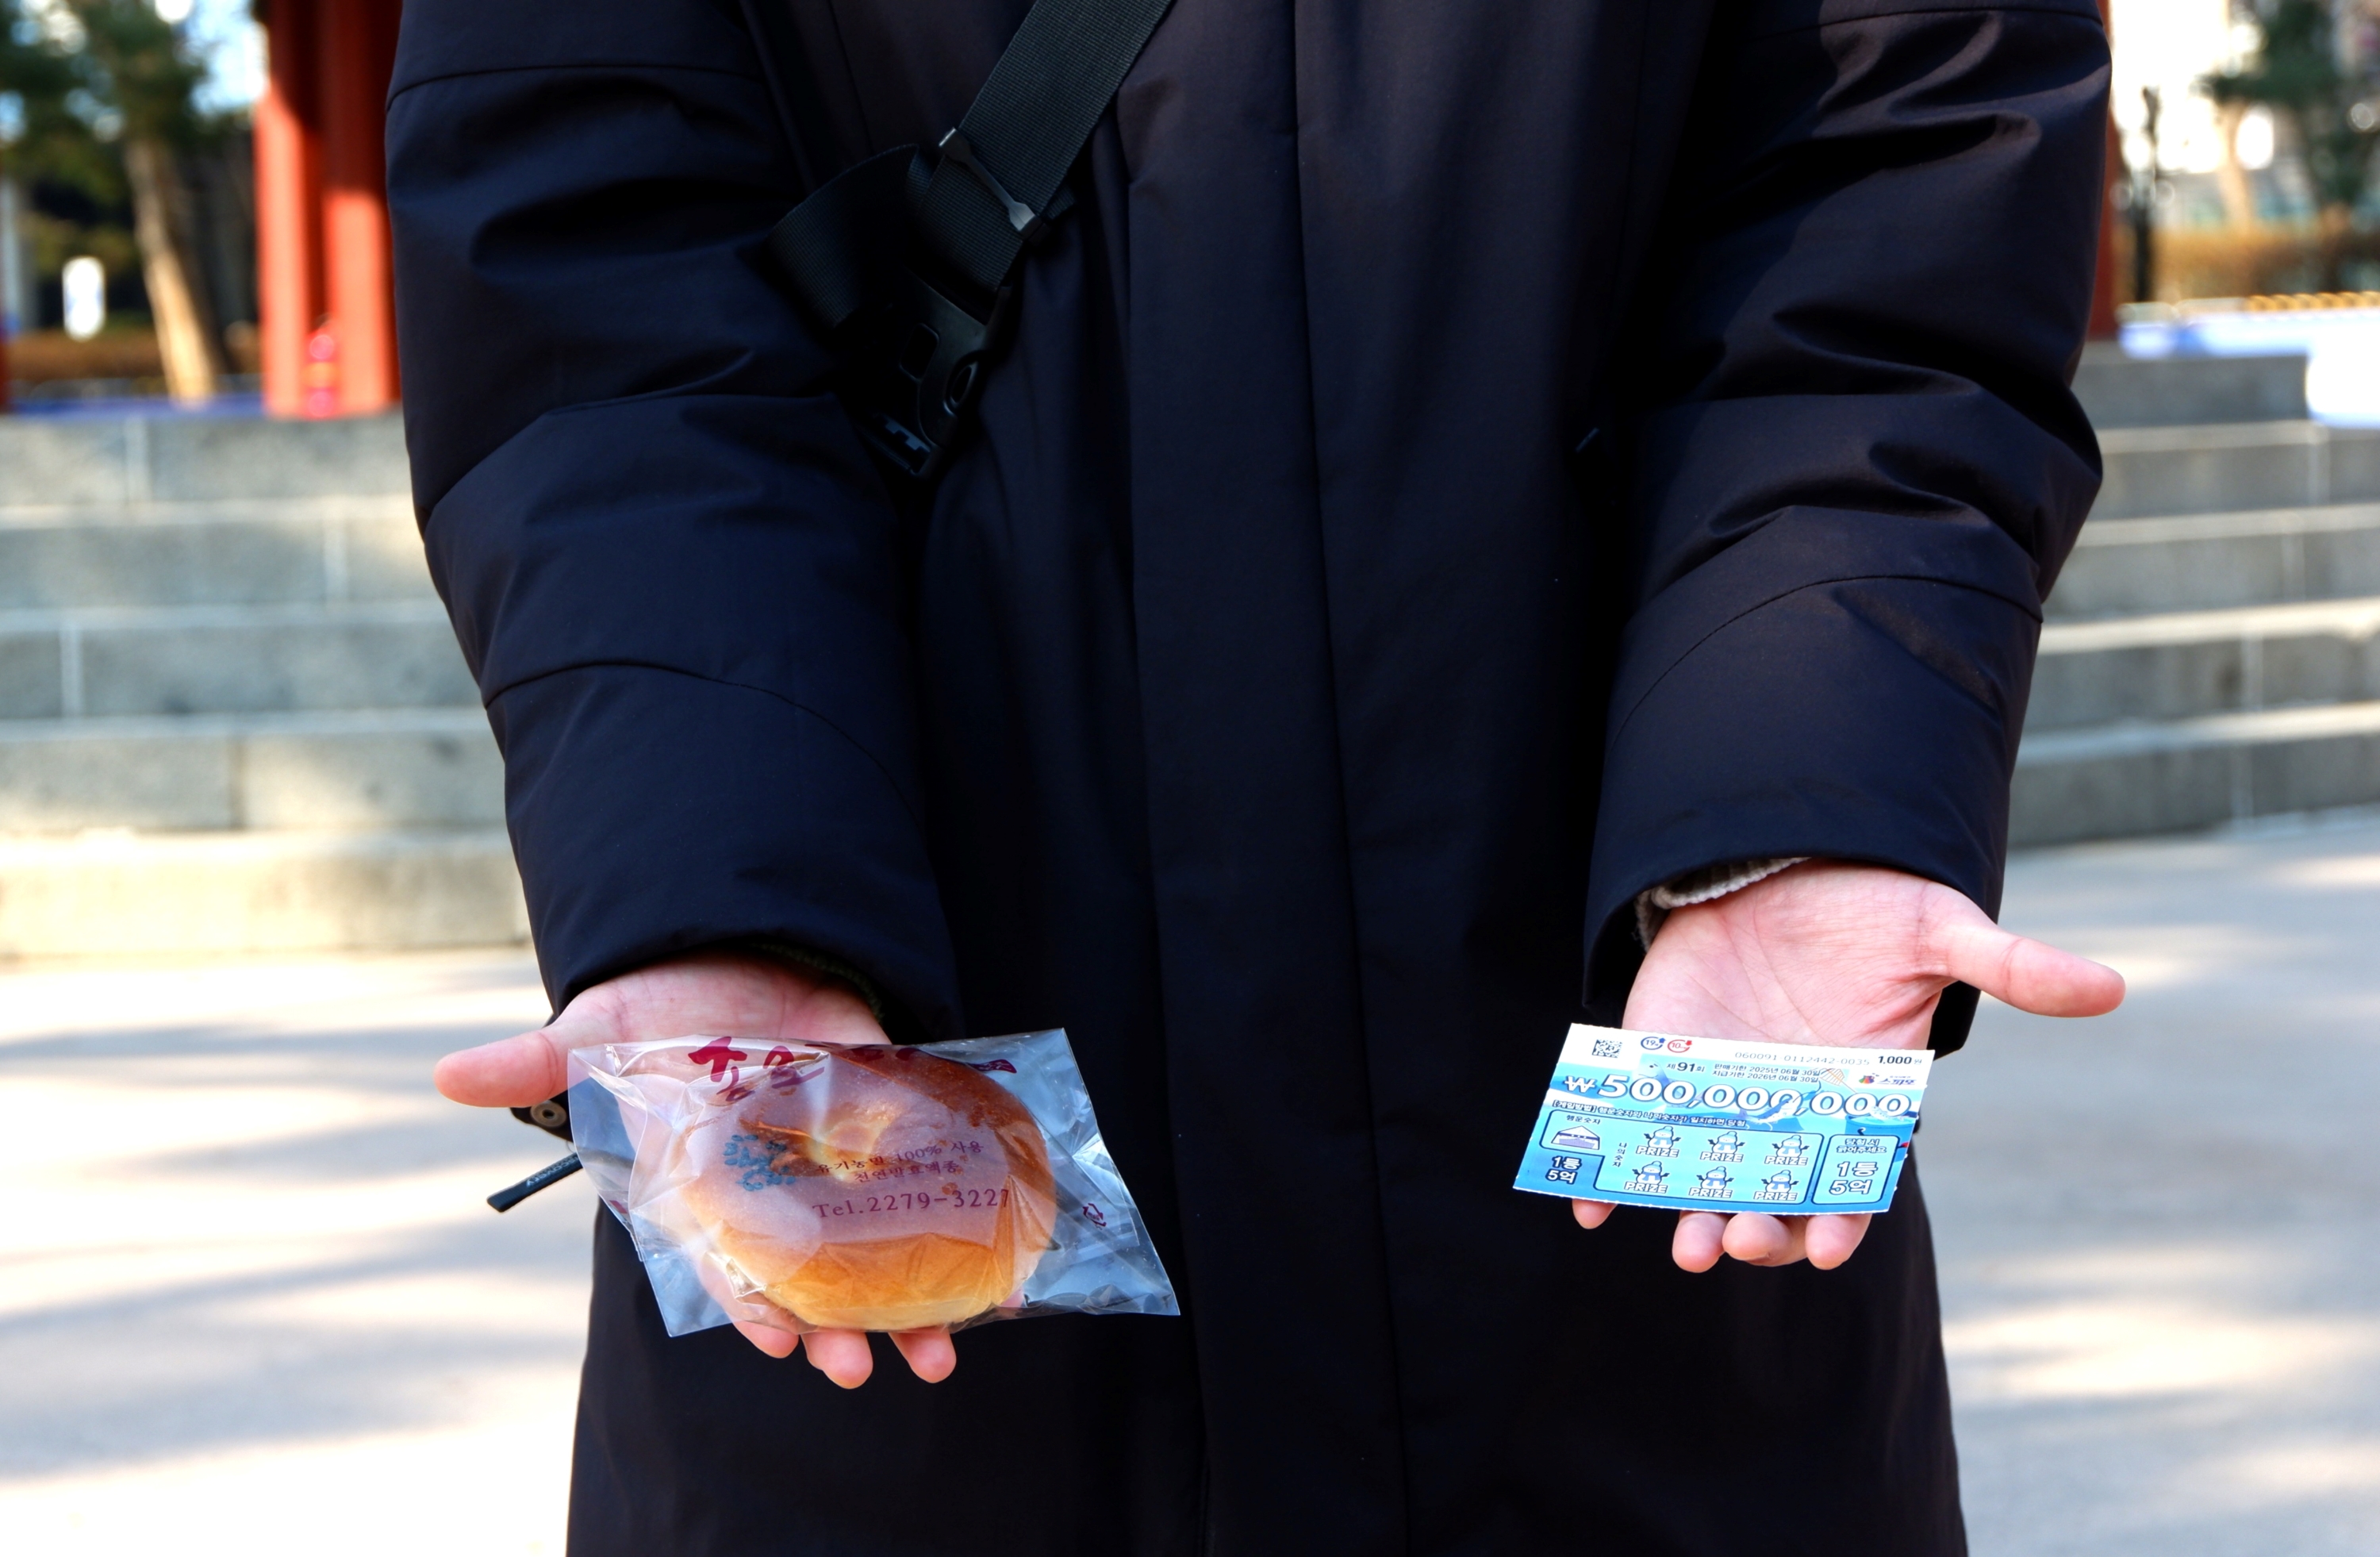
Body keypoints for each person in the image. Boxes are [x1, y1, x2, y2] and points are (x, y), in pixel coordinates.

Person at [390, 0, 2125, 1551]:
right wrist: (718, 882)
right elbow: (596, 323)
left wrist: (1794, 790)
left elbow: (1895, 226)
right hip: (914, 1155)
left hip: (1595, 1113)